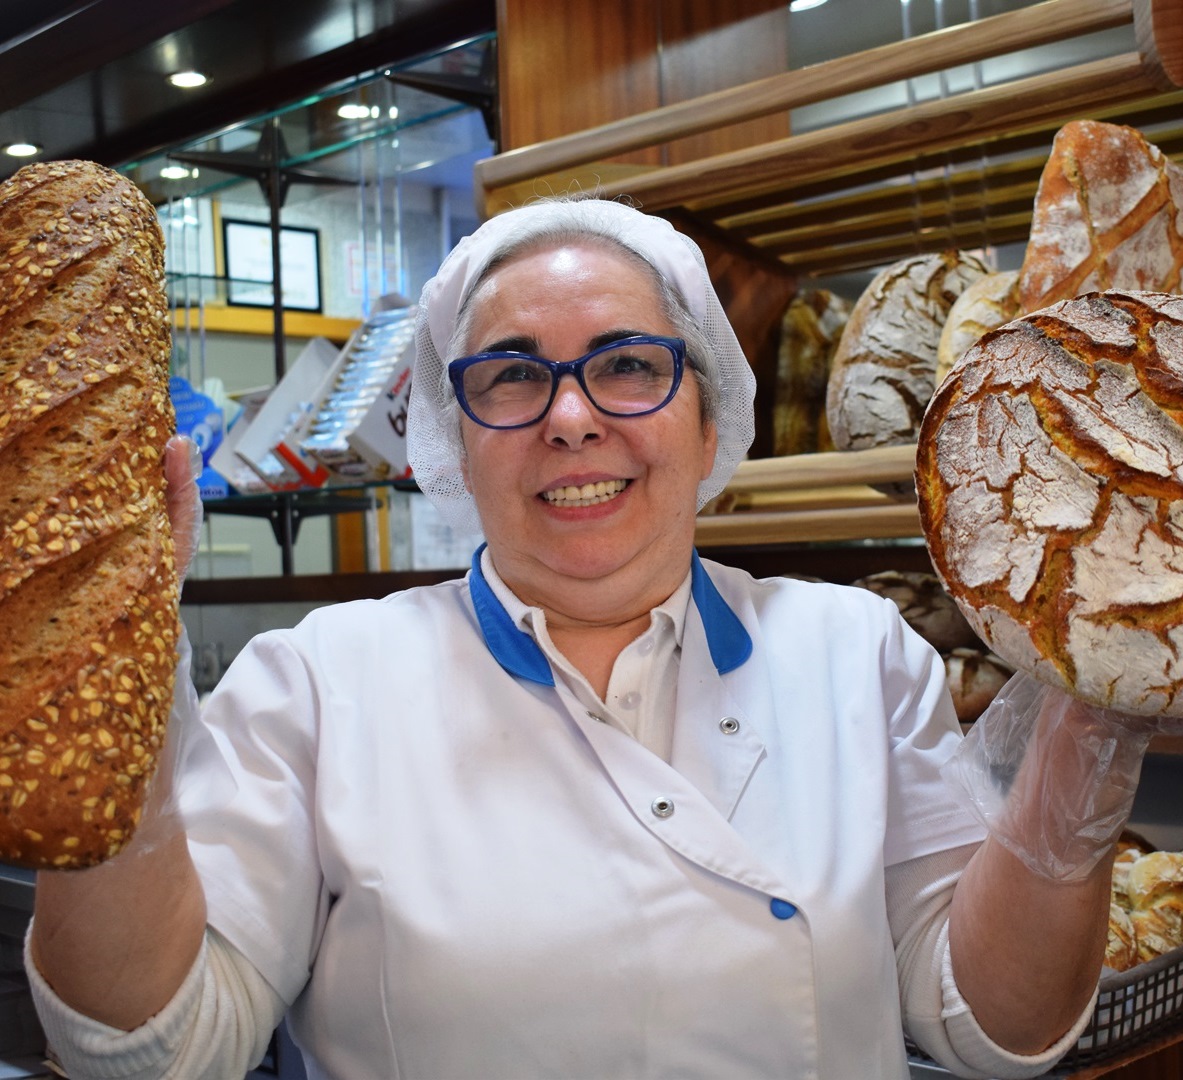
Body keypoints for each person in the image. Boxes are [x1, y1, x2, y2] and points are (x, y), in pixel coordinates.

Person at [22, 196, 1167, 1079]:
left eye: (625, 363)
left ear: (710, 409)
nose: (572, 418)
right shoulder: (321, 682)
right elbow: (155, 1050)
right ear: (452, 439)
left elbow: (991, 1028)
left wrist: (1094, 691)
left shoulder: (850, 651)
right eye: (513, 375)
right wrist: (104, 660)